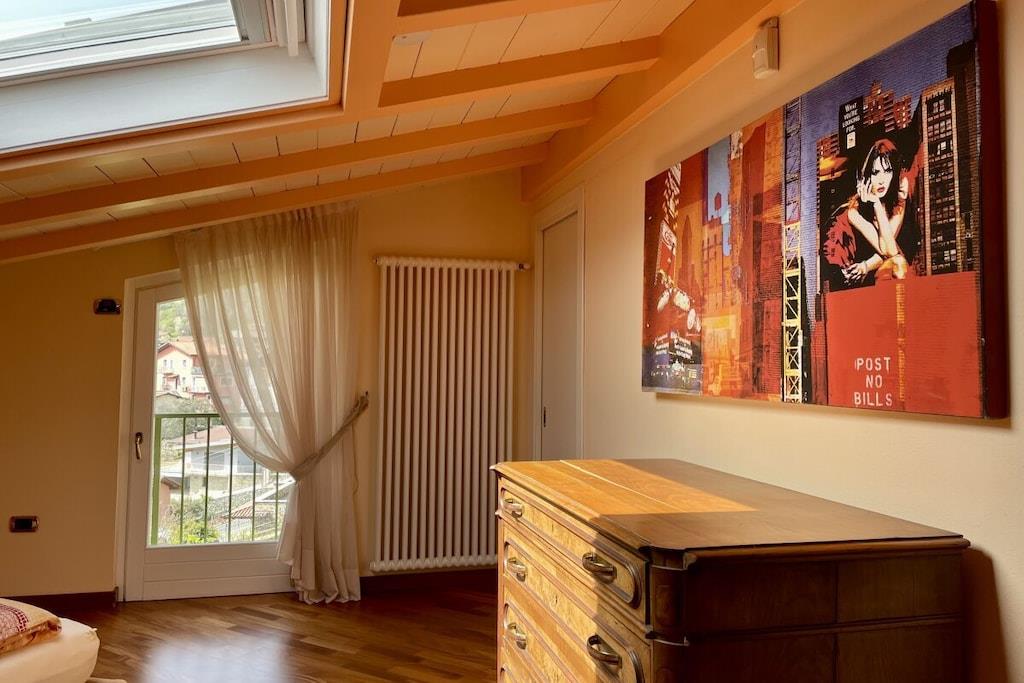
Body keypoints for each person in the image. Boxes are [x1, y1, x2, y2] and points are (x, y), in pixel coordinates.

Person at [822, 138, 919, 287]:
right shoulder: (854, 211)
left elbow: (889, 248)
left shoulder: (898, 199)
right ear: (867, 177)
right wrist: (864, 267)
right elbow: (888, 251)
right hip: (851, 274)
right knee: (898, 264)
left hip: (875, 268)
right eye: (875, 173)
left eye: (887, 171)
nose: (881, 180)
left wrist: (876, 204)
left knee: (899, 265)